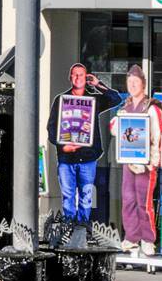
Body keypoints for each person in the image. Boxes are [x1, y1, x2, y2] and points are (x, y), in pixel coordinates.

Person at [46, 63, 120, 231]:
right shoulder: (61, 100)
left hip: (88, 156)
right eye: (75, 74)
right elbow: (51, 128)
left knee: (86, 195)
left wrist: (98, 85)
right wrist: (62, 146)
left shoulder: (93, 99)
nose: (78, 78)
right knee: (68, 195)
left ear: (86, 78)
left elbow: (116, 99)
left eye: (81, 75)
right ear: (70, 77)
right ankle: (68, 227)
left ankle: (83, 227)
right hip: (66, 157)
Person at [109, 64, 162, 256]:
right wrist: (120, 119)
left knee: (144, 202)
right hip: (128, 161)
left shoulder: (152, 108)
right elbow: (114, 128)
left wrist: (153, 162)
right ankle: (131, 237)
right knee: (128, 200)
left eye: (136, 81)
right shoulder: (125, 107)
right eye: (129, 81)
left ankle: (148, 239)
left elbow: (157, 136)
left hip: (145, 163)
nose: (132, 85)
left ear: (144, 84)